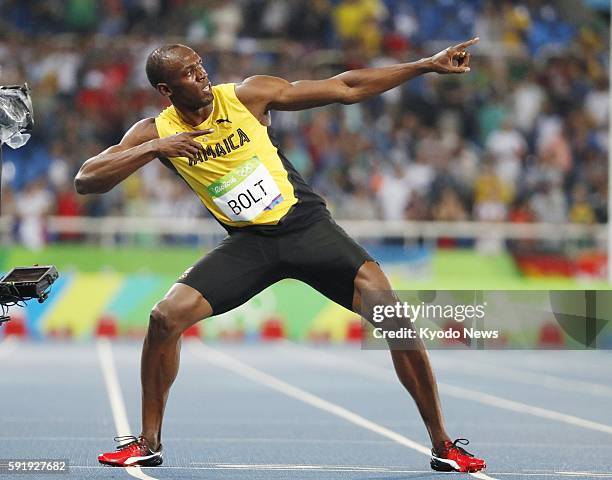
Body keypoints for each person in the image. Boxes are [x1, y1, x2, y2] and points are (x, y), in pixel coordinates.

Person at [75, 38, 486, 473]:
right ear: (166, 90)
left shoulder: (248, 96)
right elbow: (86, 179)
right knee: (164, 318)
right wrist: (153, 149)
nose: (203, 75)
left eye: (201, 65)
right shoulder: (154, 132)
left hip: (307, 229)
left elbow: (345, 87)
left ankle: (443, 445)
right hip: (249, 246)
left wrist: (426, 64)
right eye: (191, 74)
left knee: (396, 320)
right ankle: (148, 442)